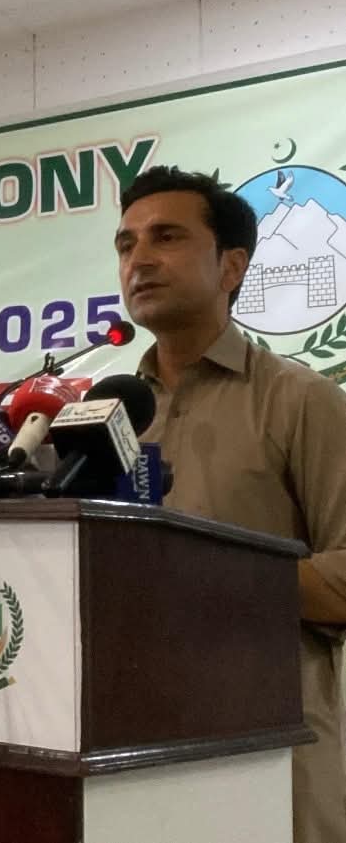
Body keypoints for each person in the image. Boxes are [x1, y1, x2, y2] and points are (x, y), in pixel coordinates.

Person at [114, 165, 346, 843]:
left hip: (273, 745)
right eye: (126, 244)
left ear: (232, 266)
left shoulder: (299, 400)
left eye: (166, 237)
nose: (139, 259)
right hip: (133, 744)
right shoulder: (107, 414)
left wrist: (208, 572)